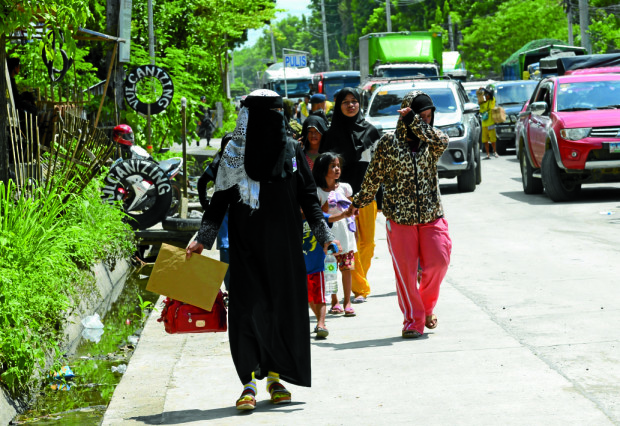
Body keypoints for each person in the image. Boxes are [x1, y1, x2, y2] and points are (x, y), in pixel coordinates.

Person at [186, 89, 338, 410]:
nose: (271, 122)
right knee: (246, 310)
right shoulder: (233, 151)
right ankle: (248, 384)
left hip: (284, 250)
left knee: (280, 312)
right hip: (244, 249)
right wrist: (204, 237)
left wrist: (324, 235)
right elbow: (220, 199)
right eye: (263, 115)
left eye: (275, 114)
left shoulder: (293, 150)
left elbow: (308, 198)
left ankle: (274, 378)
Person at [348, 90, 452, 338]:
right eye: (421, 116)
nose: (426, 121)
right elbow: (373, 178)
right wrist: (358, 202)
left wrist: (415, 123)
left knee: (439, 261)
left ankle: (426, 308)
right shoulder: (388, 143)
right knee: (405, 273)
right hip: (400, 219)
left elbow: (443, 140)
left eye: (428, 116)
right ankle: (413, 321)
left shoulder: (431, 141)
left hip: (431, 215)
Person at [320, 87, 380, 304]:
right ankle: (360, 287)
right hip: (342, 197)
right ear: (338, 106)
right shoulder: (331, 135)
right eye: (345, 102)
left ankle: (359, 280)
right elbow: (325, 166)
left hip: (367, 193)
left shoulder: (372, 131)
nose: (351, 105)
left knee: (369, 244)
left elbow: (378, 167)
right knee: (349, 244)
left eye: (354, 101)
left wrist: (380, 196)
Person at [313, 152, 357, 317]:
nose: (337, 169)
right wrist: (328, 204)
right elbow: (319, 216)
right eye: (333, 166)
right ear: (323, 169)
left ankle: (347, 301)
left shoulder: (345, 188)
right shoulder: (318, 192)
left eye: (338, 165)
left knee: (347, 269)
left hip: (345, 235)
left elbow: (352, 209)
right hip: (328, 237)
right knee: (330, 270)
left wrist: (352, 214)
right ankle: (334, 300)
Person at [479, 86, 498, 159]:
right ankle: (487, 154)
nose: (486, 96)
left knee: (493, 139)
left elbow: (491, 93)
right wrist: (480, 90)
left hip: (491, 123)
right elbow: (478, 95)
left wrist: (484, 89)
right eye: (485, 95)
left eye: (487, 95)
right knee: (485, 140)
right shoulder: (482, 103)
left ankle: (495, 152)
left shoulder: (492, 101)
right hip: (484, 124)